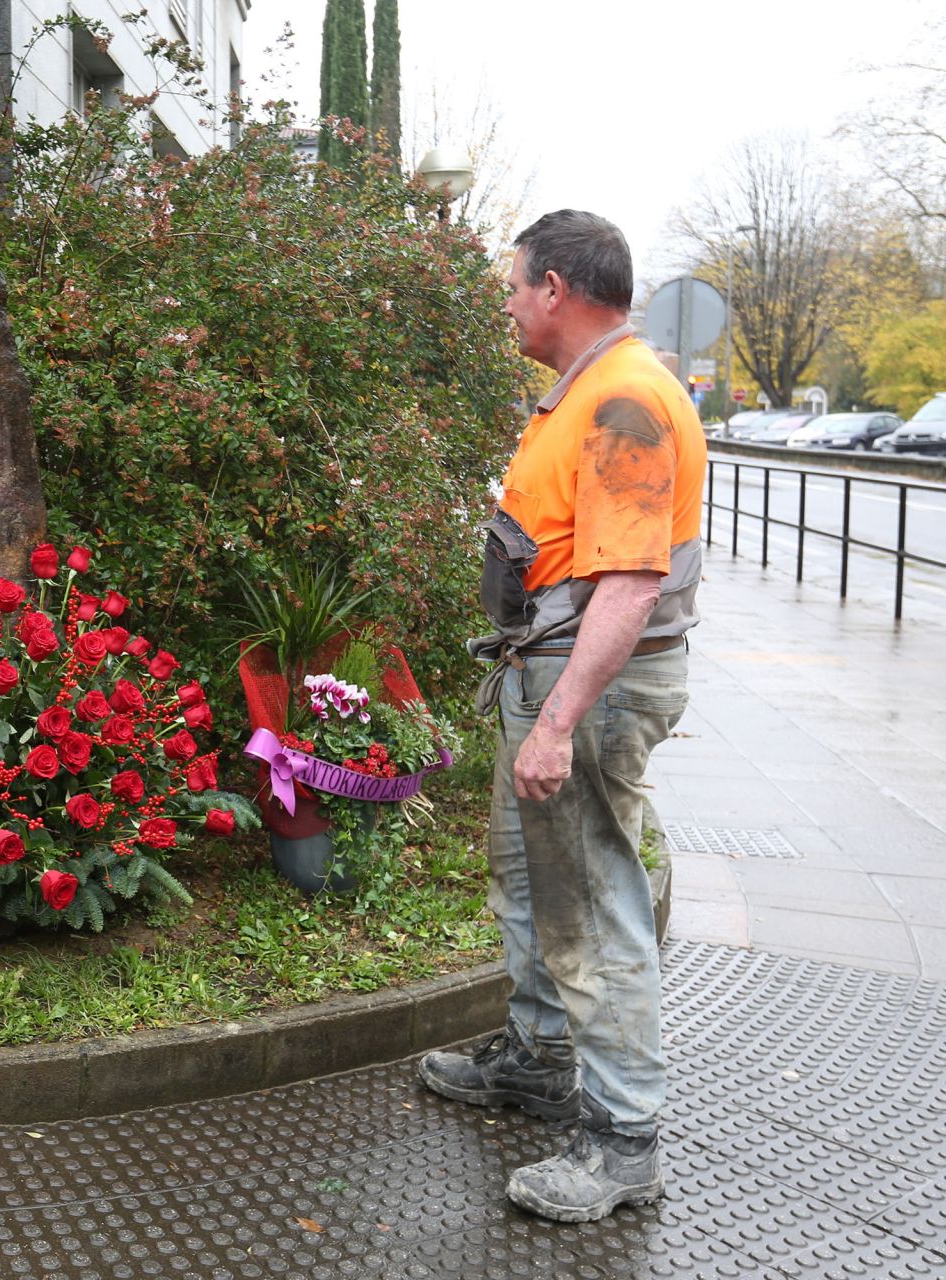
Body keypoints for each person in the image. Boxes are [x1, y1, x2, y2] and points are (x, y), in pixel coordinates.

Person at [417, 210, 704, 1223]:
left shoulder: (624, 402)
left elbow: (627, 582)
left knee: (588, 901)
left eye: (514, 284)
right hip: (555, 678)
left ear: (556, 288)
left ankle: (624, 1142)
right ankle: (539, 1060)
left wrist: (556, 722)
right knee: (531, 879)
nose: (507, 301)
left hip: (588, 691)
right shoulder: (589, 393)